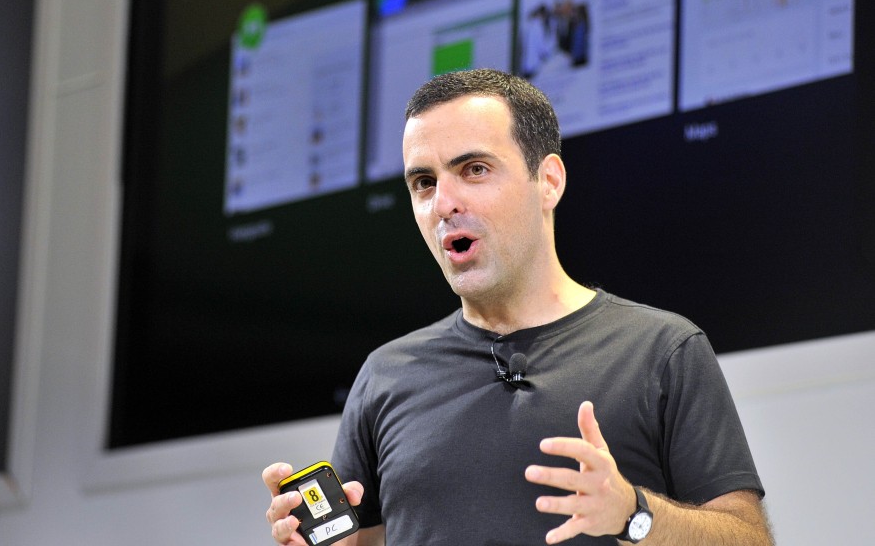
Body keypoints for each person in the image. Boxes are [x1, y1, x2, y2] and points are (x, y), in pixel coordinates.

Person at [263, 69, 773, 545]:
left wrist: (633, 512)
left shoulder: (661, 351)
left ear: (548, 180)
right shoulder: (385, 376)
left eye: (475, 169)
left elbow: (749, 538)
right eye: (424, 182)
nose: (444, 203)